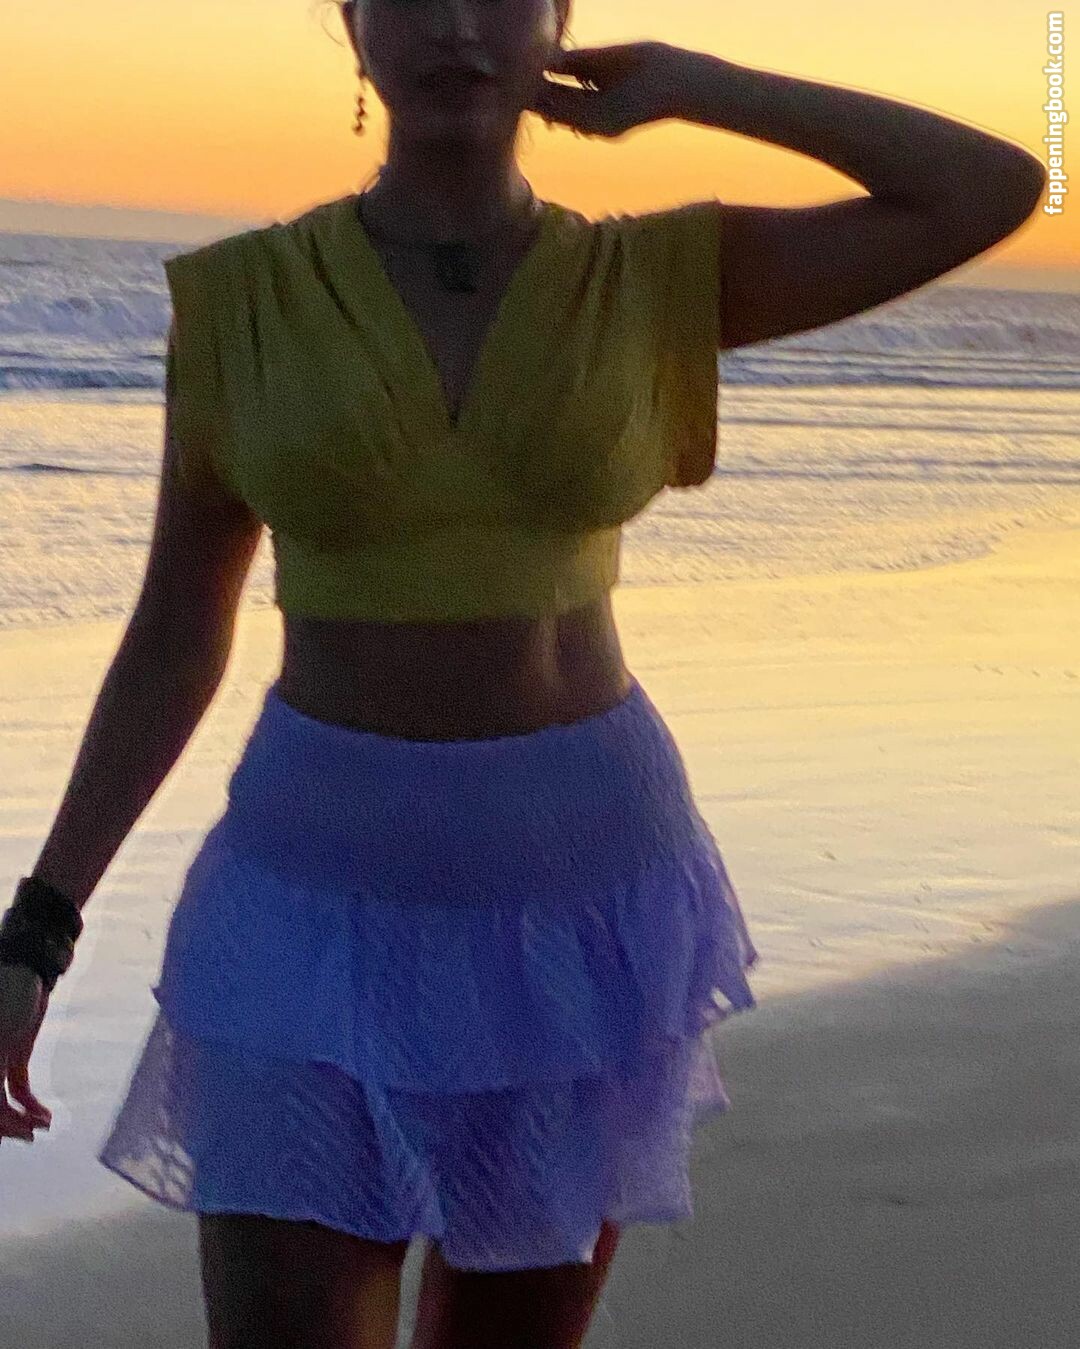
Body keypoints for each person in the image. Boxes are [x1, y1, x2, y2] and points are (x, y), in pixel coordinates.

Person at [0, 1, 1044, 1346]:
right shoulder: (242, 301)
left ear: (559, 20)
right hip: (307, 919)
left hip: (583, 913)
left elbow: (987, 188)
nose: (453, 24)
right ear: (351, 24)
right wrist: (39, 926)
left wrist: (702, 84)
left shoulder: (654, 283)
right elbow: (176, 626)